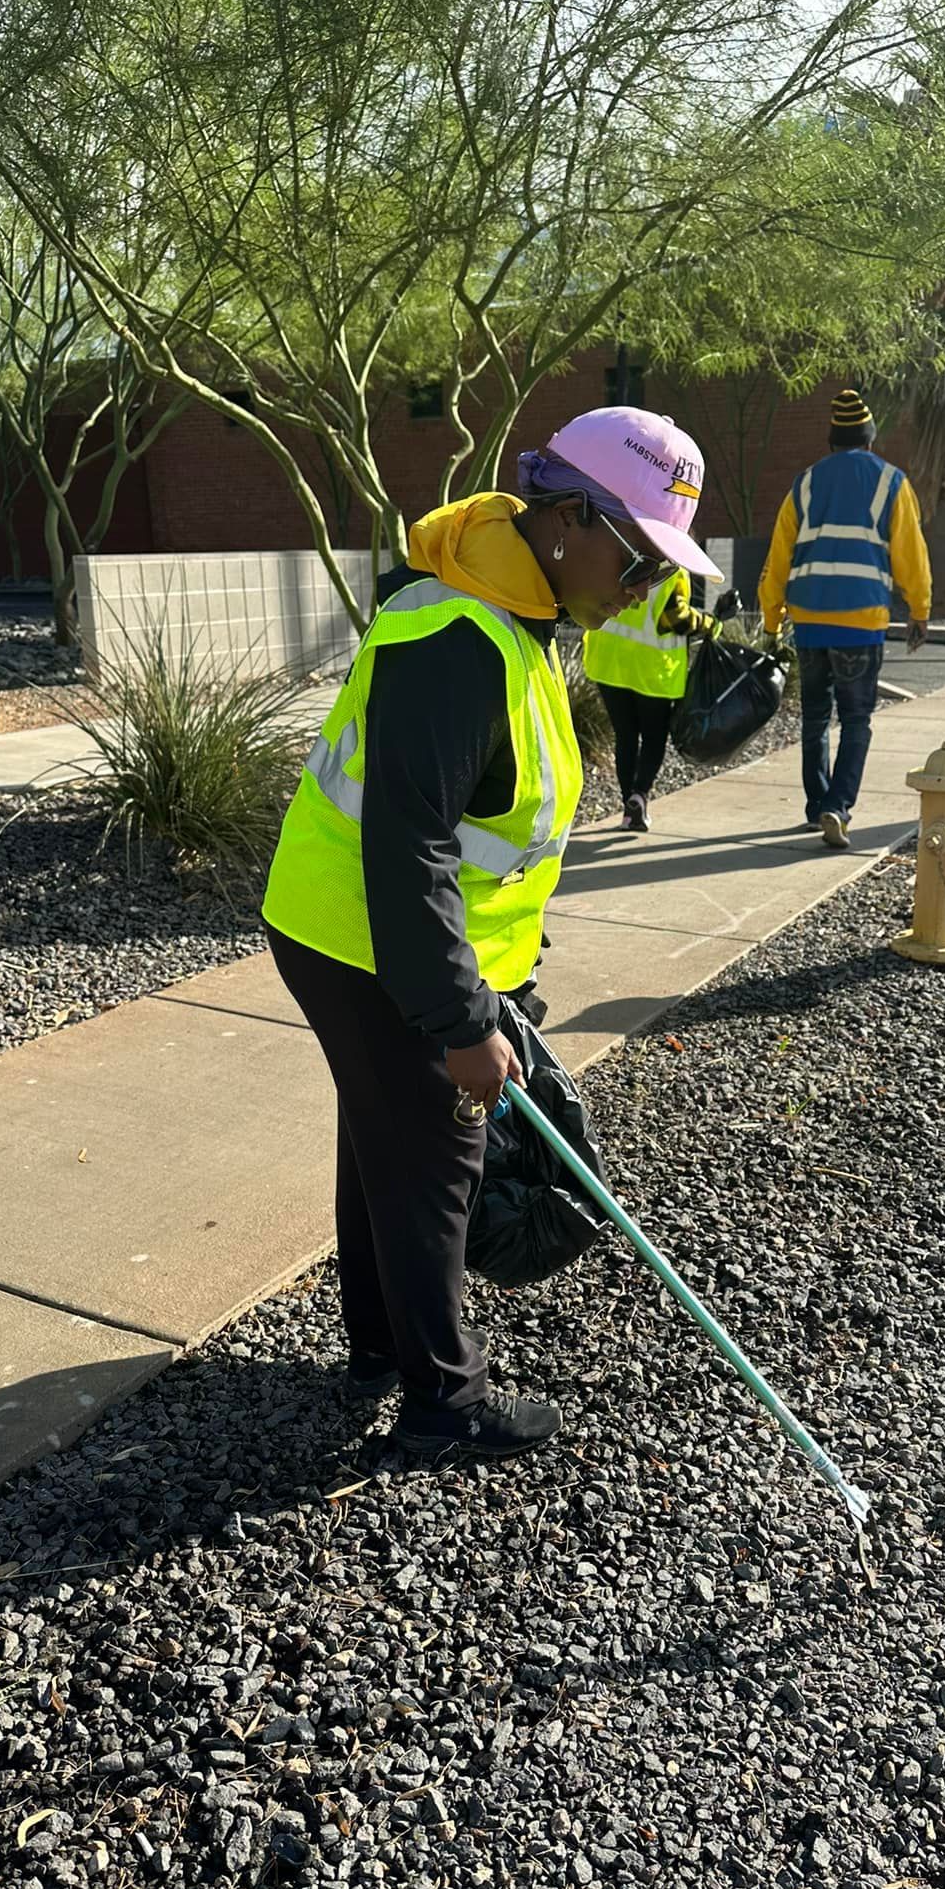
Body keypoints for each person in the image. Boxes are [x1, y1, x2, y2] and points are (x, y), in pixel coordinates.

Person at [260, 407, 722, 1462]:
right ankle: (444, 1403)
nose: (652, 582)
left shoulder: (517, 613)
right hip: (363, 938)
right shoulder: (462, 641)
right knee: (434, 1157)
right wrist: (463, 1020)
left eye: (667, 563)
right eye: (642, 555)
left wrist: (507, 966)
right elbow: (408, 850)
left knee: (386, 1133)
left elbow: (488, 829)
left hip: (378, 935)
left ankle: (380, 1347)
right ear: (566, 519)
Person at [759, 387, 931, 848]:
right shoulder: (891, 482)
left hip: (810, 620)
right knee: (856, 719)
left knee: (815, 717)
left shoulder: (805, 483)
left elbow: (779, 556)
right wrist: (919, 610)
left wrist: (772, 619)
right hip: (861, 620)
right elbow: (911, 553)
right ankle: (837, 806)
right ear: (870, 440)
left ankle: (816, 805)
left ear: (832, 441)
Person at [582, 567, 723, 830]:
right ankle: (639, 796)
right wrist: (711, 624)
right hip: (652, 670)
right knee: (653, 737)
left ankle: (628, 805)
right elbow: (676, 618)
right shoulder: (672, 570)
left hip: (609, 661)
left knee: (625, 736)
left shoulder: (619, 553)